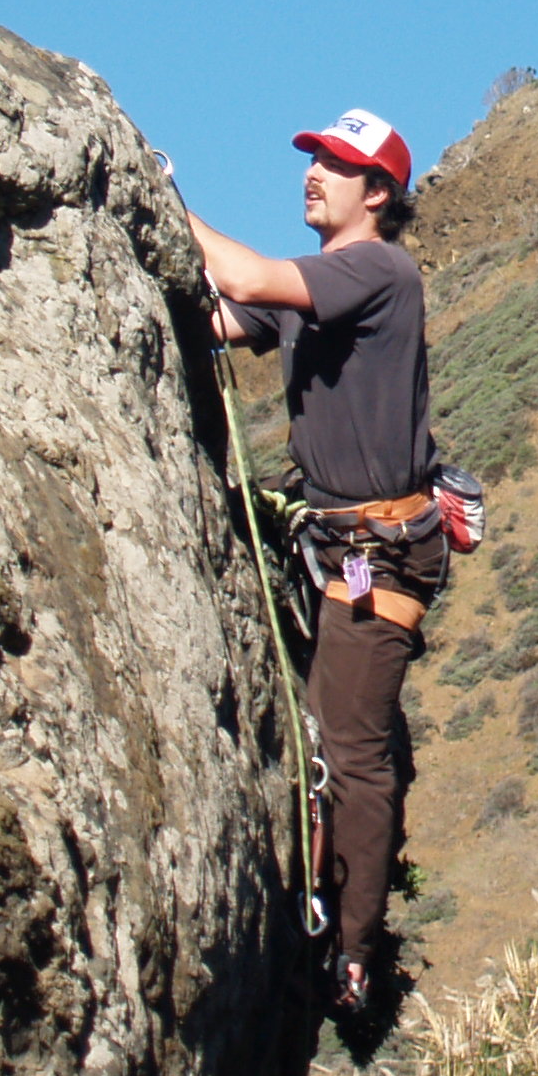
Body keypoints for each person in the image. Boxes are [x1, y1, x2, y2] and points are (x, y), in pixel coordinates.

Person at [186, 107, 442, 1012]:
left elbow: (247, 274)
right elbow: (228, 313)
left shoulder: (379, 269)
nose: (313, 175)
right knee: (330, 739)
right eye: (313, 160)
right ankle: (334, 906)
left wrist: (163, 197)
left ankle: (357, 952)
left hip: (378, 551)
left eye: (335, 165)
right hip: (338, 545)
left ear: (377, 193)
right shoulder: (317, 284)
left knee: (353, 750)